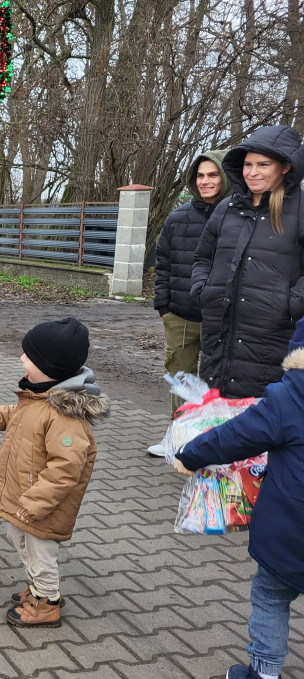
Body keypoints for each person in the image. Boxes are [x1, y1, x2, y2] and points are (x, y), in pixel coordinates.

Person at [173, 318, 304, 679]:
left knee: (270, 595)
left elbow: (234, 437)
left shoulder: (292, 397)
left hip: (292, 534)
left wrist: (188, 456)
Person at [0, 318, 108, 627]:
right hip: (28, 498)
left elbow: (65, 469)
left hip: (43, 504)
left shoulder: (65, 417)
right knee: (16, 536)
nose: (21, 359)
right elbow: (14, 416)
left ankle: (47, 601)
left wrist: (36, 502)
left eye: (28, 357)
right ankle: (38, 587)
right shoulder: (39, 396)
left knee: (40, 552)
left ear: (50, 367)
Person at [191, 125, 304, 399]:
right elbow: (202, 256)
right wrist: (202, 290)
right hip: (219, 332)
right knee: (216, 420)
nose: (252, 172)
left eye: (263, 164)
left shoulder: (301, 209)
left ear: (285, 166)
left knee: (258, 423)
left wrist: (292, 303)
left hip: (271, 337)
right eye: (248, 164)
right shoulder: (227, 207)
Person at [147, 150, 230, 456]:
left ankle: (213, 441)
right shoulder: (178, 217)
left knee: (217, 380)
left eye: (213, 174)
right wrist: (164, 307)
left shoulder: (238, 215)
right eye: (200, 176)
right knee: (182, 378)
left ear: (226, 177)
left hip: (222, 317)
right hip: (180, 315)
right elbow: (163, 263)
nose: (206, 181)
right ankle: (178, 439)